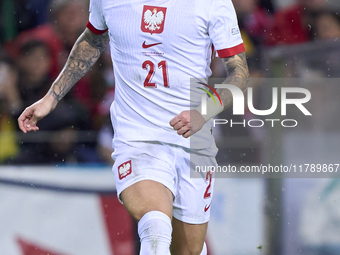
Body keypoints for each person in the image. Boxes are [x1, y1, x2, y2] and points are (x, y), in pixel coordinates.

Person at [18, 0, 249, 254]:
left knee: (188, 251)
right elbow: (93, 39)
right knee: (156, 229)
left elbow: (238, 74)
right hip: (137, 136)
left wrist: (203, 113)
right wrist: (51, 98)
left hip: (194, 139)